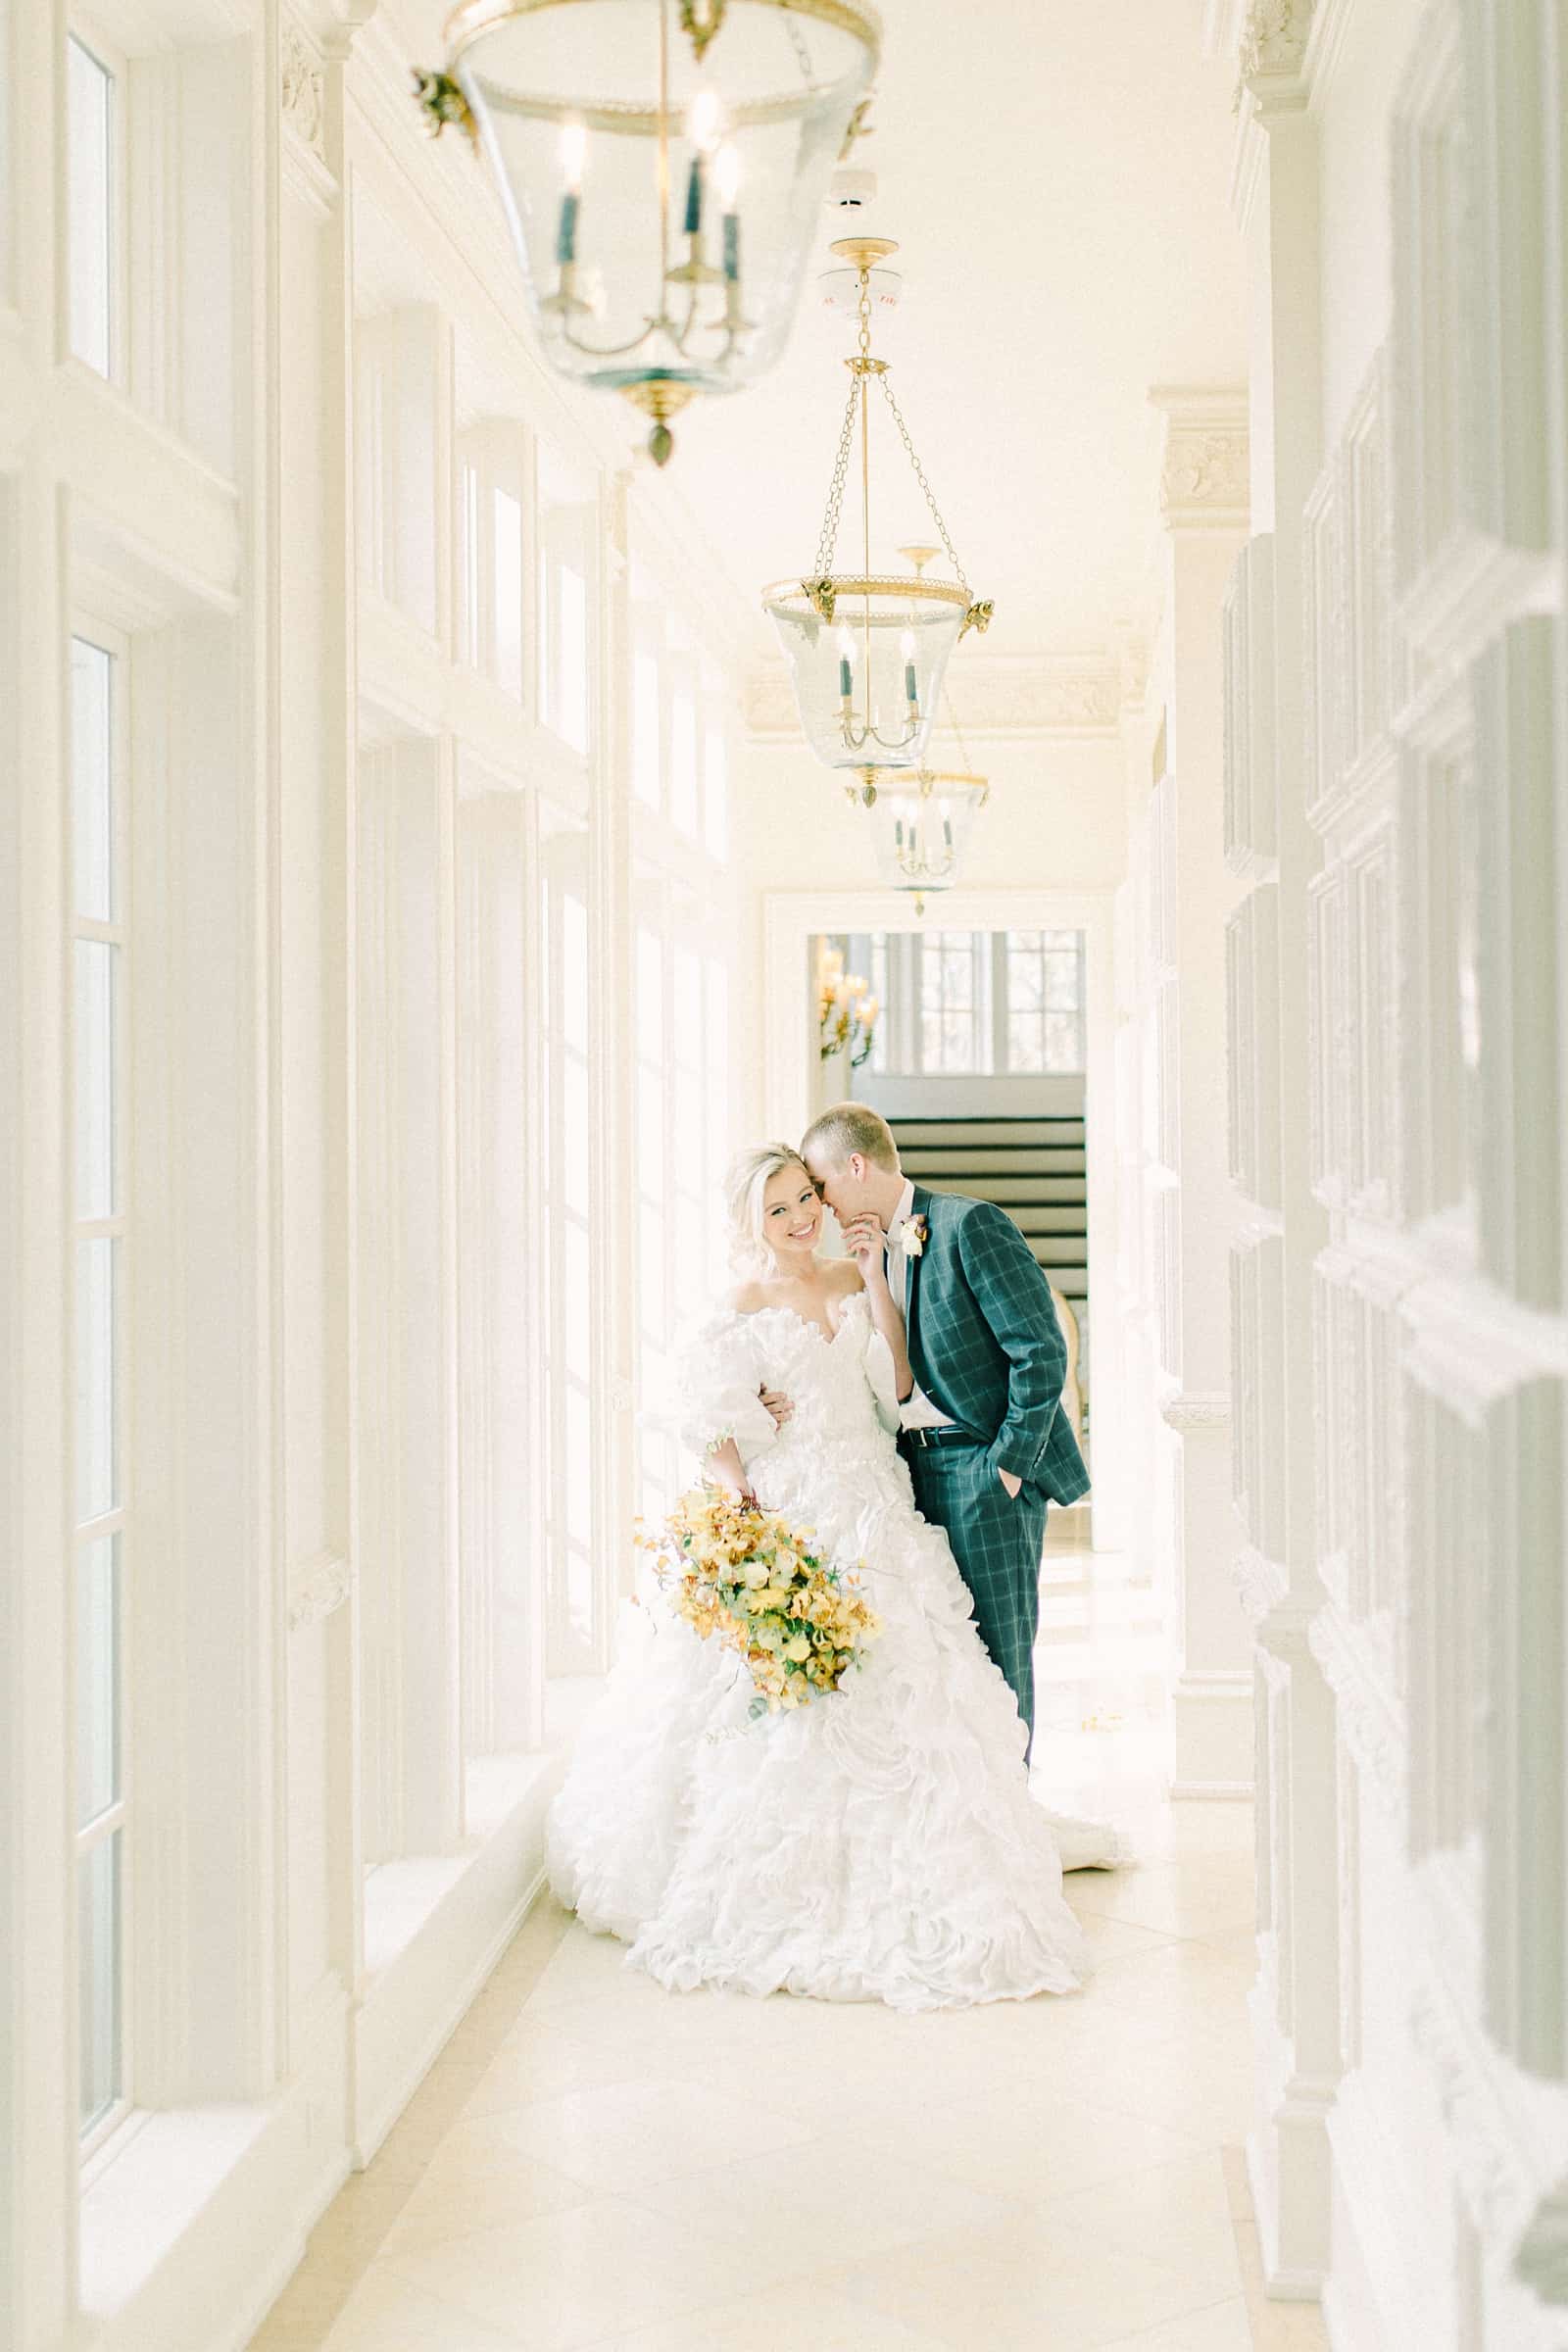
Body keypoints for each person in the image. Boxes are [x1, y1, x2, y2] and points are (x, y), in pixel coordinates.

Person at [544, 1143, 1123, 2015]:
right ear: (752, 1224)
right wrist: (743, 1470)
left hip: (875, 1498)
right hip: (794, 1501)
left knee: (915, 1679)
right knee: (789, 1704)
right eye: (778, 1209)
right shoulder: (740, 1303)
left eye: (805, 1198)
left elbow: (894, 1387)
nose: (798, 1218)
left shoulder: (856, 1281)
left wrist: (876, 1286)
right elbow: (696, 1413)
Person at [799, 1102, 1091, 1773]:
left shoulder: (969, 1225)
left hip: (981, 1470)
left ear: (856, 1163)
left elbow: (1041, 1350)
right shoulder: (863, 1257)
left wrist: (1008, 1468)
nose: (820, 1203)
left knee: (998, 1653)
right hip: (906, 1476)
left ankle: (1011, 1812)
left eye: (822, 1186)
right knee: (943, 1658)